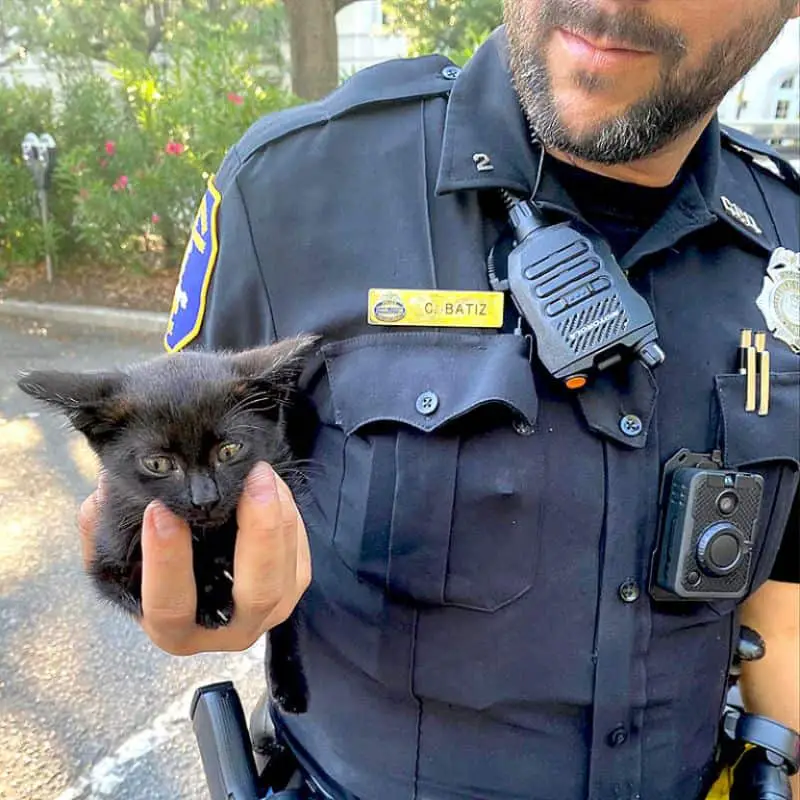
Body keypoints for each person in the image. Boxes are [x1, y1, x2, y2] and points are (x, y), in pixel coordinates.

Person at [79, 1, 800, 798]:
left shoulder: (786, 236)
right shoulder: (290, 190)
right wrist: (190, 592)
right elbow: (162, 493)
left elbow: (786, 569)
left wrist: (780, 754)